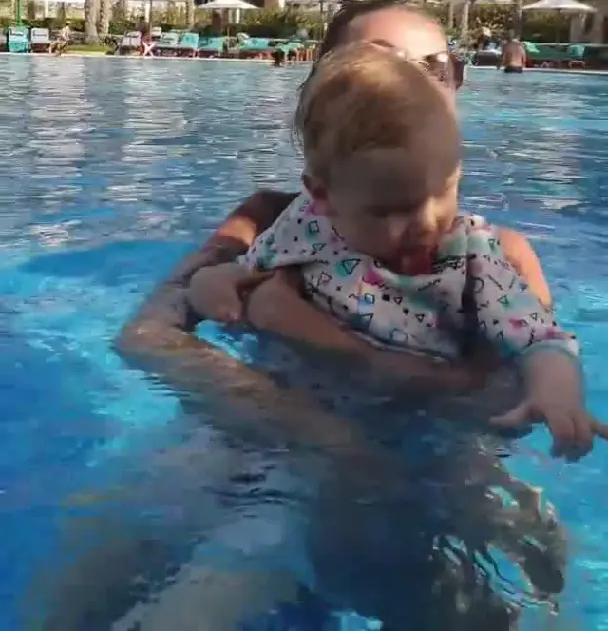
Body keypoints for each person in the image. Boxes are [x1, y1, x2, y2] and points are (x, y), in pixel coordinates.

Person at [119, 0, 551, 367]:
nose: (412, 87)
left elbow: (511, 396)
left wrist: (308, 332)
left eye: (436, 68)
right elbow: (149, 337)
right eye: (382, 66)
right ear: (322, 92)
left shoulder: (496, 257)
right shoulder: (266, 222)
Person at [240, 41, 608, 459]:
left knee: (472, 486)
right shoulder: (307, 225)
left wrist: (557, 394)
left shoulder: (471, 255)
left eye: (444, 191)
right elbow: (245, 276)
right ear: (324, 197)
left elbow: (540, 337)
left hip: (438, 419)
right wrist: (215, 287)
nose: (427, 221)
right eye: (393, 210)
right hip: (320, 410)